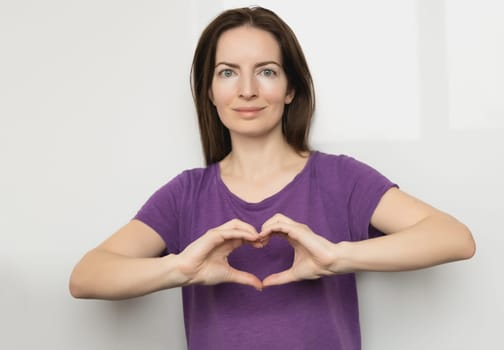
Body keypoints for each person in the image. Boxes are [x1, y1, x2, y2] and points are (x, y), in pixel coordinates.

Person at [69, 6, 476, 350]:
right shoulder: (186, 194)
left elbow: (454, 238)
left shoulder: (339, 178)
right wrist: (180, 270)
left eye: (265, 71)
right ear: (209, 92)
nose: (246, 90)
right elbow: (87, 276)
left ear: (290, 89)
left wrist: (338, 258)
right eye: (227, 73)